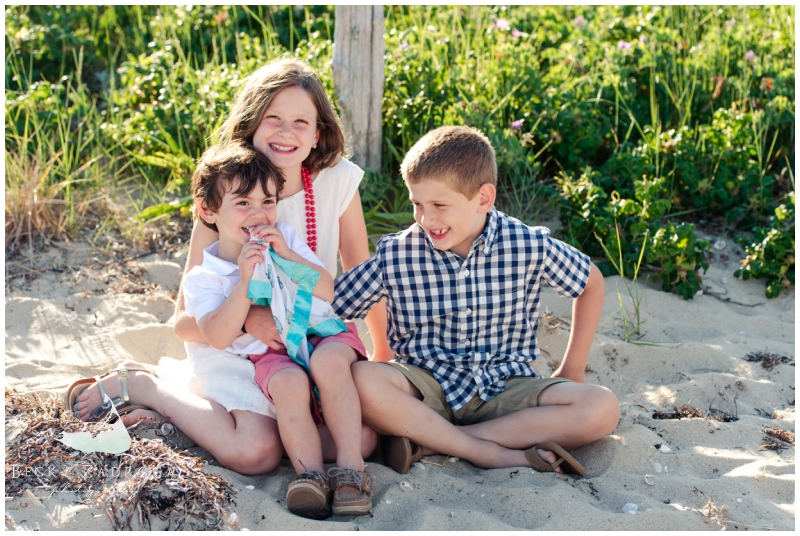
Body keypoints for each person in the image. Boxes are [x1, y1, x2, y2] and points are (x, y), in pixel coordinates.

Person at [70, 58, 385, 476]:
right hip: (233, 342)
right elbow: (184, 321)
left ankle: (202, 424)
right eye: (272, 118)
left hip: (300, 337)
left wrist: (383, 350)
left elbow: (360, 271)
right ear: (251, 124)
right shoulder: (227, 189)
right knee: (258, 452)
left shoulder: (337, 180)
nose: (286, 132)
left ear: (318, 133)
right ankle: (151, 389)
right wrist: (249, 322)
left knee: (363, 438)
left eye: (300, 121)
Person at [334, 126, 620, 476]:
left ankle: (434, 443)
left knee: (602, 407)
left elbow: (591, 283)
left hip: (506, 387)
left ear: (483, 199)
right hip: (425, 388)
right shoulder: (397, 253)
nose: (426, 219)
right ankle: (483, 451)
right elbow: (334, 306)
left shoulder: (525, 244)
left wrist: (573, 368)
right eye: (417, 204)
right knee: (362, 378)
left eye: (439, 205)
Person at [182, 140, 371, 519]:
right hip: (271, 354)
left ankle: (352, 469)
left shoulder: (285, 238)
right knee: (287, 385)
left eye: (267, 202)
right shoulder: (204, 277)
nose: (258, 213)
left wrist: (287, 255)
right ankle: (310, 477)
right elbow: (218, 335)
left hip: (321, 331)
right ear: (208, 210)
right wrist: (243, 285)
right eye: (243, 203)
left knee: (332, 367)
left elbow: (326, 289)